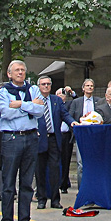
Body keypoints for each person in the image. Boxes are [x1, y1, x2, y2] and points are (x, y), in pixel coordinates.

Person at [0, 60, 44, 221]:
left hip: (31, 137)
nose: (20, 72)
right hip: (12, 138)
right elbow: (6, 113)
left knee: (27, 182)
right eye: (17, 70)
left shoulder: (33, 89)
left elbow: (40, 111)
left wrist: (20, 105)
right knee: (8, 183)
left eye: (23, 70)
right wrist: (30, 107)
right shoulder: (4, 92)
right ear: (9, 74)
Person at [34, 75, 73, 210]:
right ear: (39, 86)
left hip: (54, 139)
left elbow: (65, 114)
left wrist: (72, 122)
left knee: (55, 170)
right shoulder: (34, 101)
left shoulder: (56, 100)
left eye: (48, 84)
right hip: (39, 139)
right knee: (40, 171)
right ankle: (41, 198)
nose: (46, 86)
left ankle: (55, 199)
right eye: (43, 84)